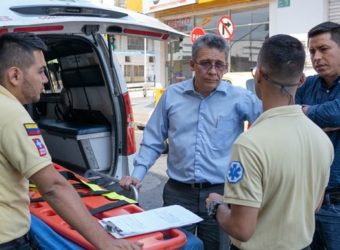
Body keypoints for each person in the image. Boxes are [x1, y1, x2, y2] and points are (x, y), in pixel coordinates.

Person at [0, 32, 143, 250]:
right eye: (40, 71)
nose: (46, 79)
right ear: (15, 76)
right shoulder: (9, 114)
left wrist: (12, 191)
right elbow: (54, 188)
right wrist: (106, 243)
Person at [120, 33, 262, 249]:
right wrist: (137, 175)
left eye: (219, 64)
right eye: (205, 63)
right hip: (178, 193)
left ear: (226, 66)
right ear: (192, 64)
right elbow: (153, 140)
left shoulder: (240, 98)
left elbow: (269, 124)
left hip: (221, 194)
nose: (213, 71)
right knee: (176, 246)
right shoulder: (171, 96)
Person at [206, 34, 334, 250]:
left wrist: (216, 205)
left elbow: (241, 229)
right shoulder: (321, 138)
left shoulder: (249, 144)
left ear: (258, 75)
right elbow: (314, 205)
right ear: (301, 80)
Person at [295, 21, 340, 250]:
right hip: (307, 202)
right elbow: (285, 116)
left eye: (324, 49)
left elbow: (335, 115)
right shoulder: (307, 86)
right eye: (312, 51)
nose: (316, 56)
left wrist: (305, 113)